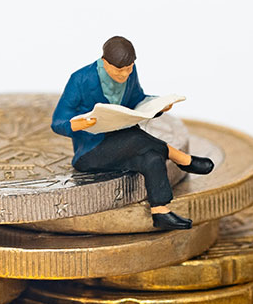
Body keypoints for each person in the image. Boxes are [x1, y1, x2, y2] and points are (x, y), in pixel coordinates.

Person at [51, 36, 214, 230]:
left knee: (152, 157)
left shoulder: (130, 72)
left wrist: (158, 106)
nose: (125, 74)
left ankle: (160, 211)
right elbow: (58, 121)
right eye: (120, 70)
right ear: (105, 62)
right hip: (91, 151)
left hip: (125, 144)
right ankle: (183, 159)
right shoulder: (81, 79)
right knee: (135, 138)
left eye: (130, 68)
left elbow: (138, 99)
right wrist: (77, 124)